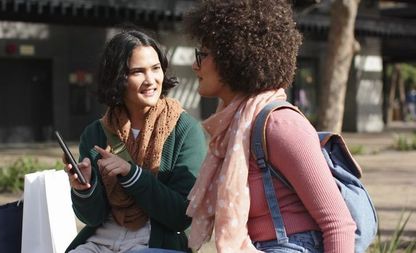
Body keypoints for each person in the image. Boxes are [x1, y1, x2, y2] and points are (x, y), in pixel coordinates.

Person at [183, 1, 356, 252]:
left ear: (233, 56)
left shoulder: (280, 124)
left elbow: (338, 223)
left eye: (204, 54)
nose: (195, 65)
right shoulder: (234, 126)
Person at [63, 29, 207, 253]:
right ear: (118, 77)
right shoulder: (95, 133)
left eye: (156, 68)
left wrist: (133, 175)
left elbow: (182, 215)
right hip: (99, 241)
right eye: (138, 72)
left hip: (153, 242)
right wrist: (84, 189)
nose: (151, 80)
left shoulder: (185, 129)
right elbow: (91, 217)